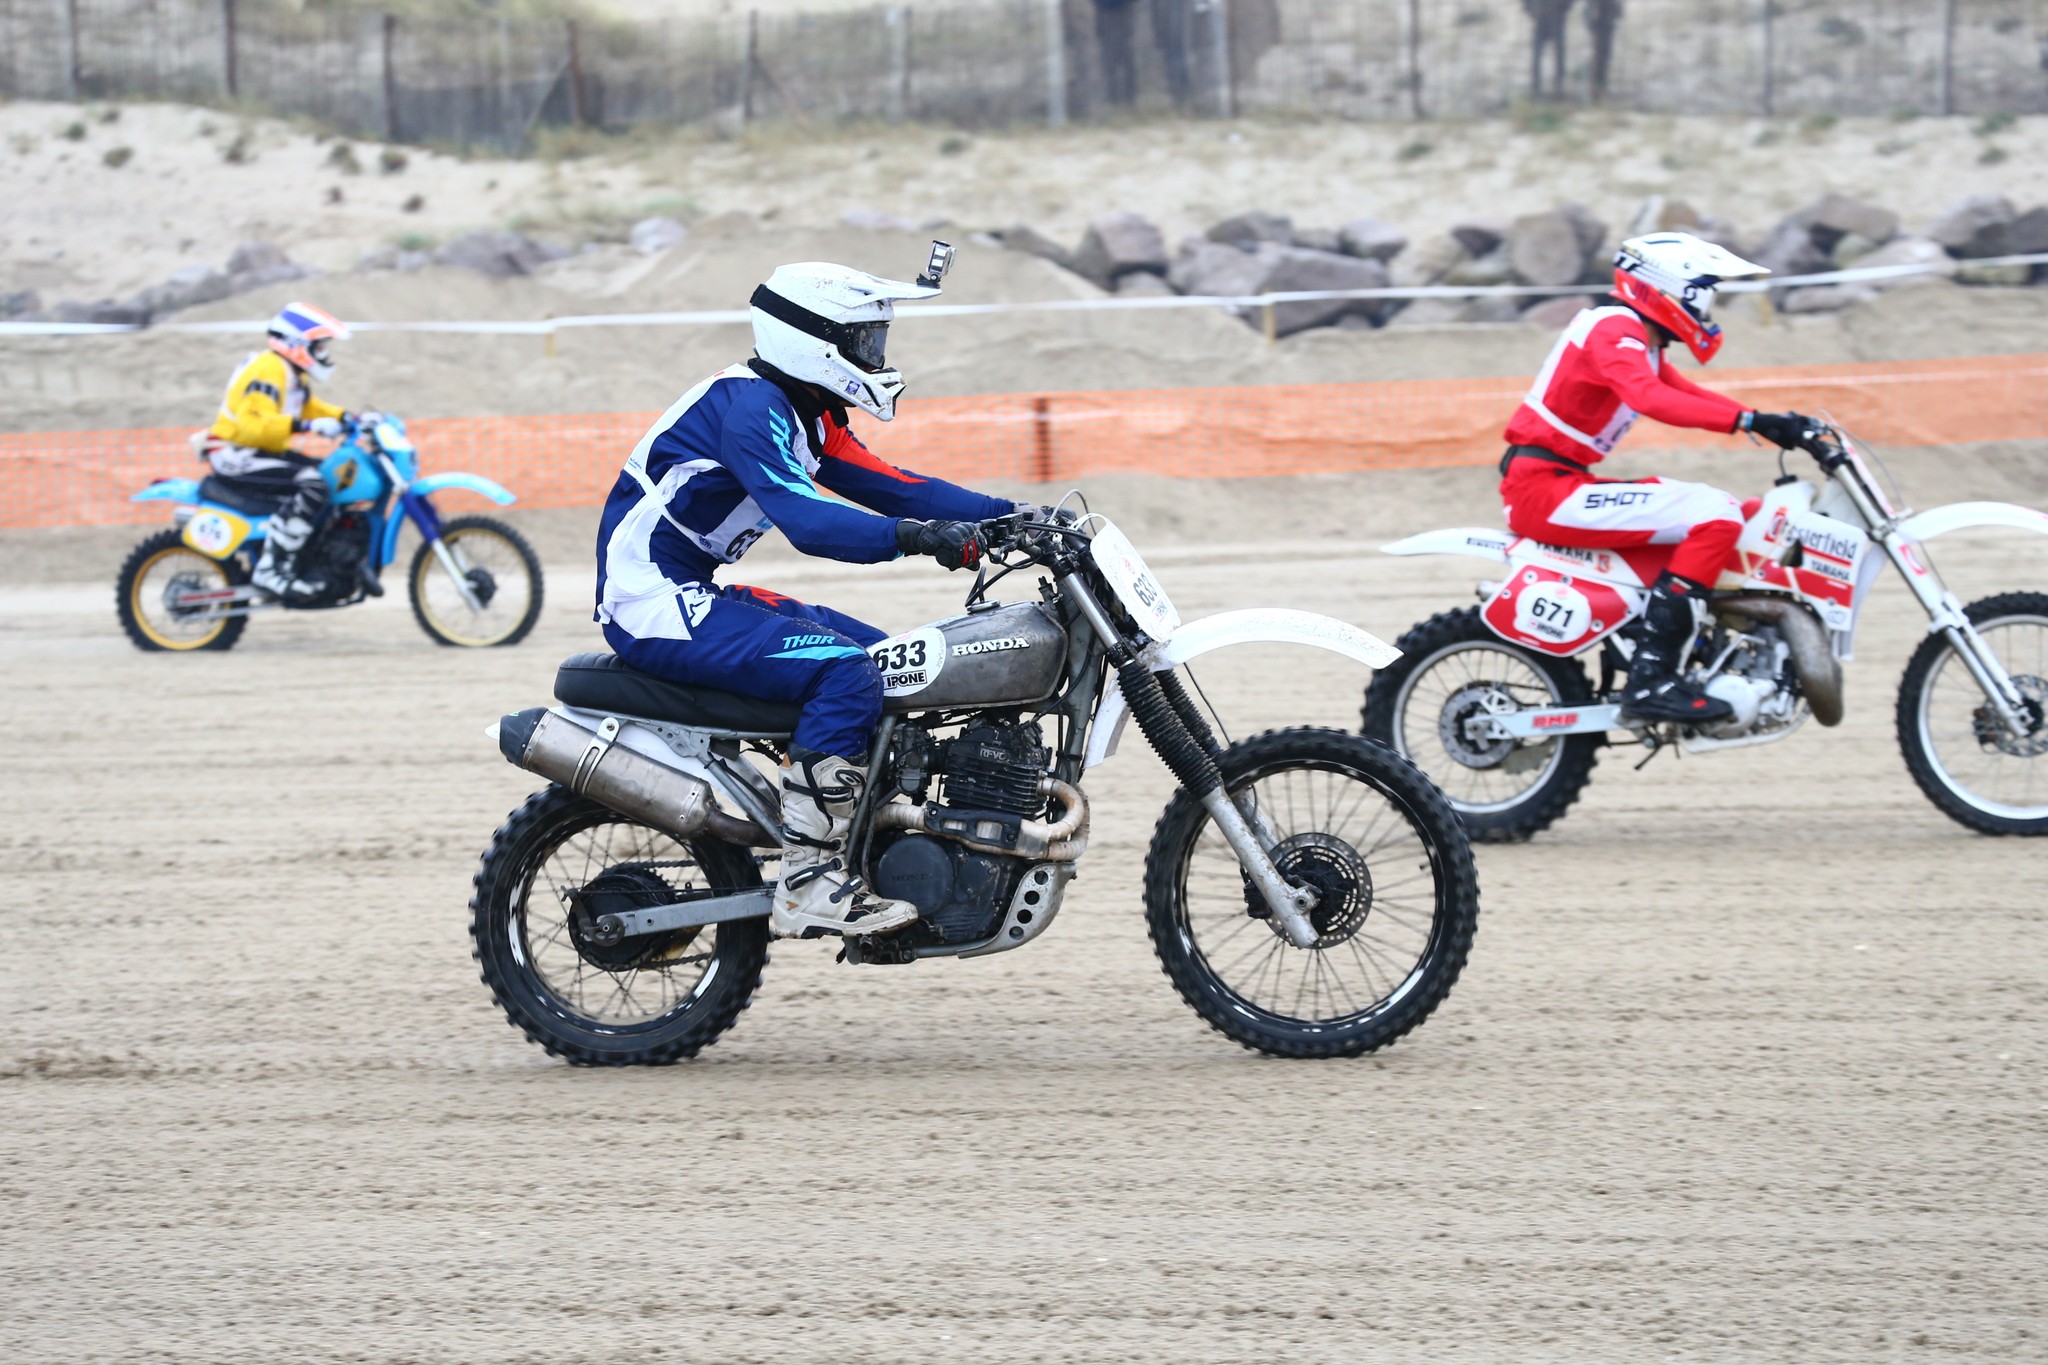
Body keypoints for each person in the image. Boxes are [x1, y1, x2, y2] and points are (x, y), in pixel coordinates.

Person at [595, 262, 1029, 941]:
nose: (875, 357)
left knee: (885, 658)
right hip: (651, 597)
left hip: (690, 588)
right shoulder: (750, 410)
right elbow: (809, 521)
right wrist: (920, 539)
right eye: (865, 341)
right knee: (841, 669)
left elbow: (900, 486)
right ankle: (807, 880)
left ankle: (865, 830)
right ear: (813, 340)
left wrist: (1014, 516)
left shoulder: (806, 412)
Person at [1498, 231, 1824, 724]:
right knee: (1713, 513)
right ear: (1670, 287)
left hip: (1561, 482)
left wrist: (1770, 421)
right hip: (1542, 489)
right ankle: (1652, 678)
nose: (1707, 304)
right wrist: (1749, 422)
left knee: (1729, 515)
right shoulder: (1614, 329)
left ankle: (1679, 655)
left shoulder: (1640, 341)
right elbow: (1650, 398)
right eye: (1703, 290)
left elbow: (1687, 392)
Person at [203, 302, 355, 601]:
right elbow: (253, 426)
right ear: (298, 345)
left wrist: (348, 417)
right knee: (312, 484)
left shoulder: (288, 372)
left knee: (326, 474)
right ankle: (271, 569)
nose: (323, 354)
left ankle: (308, 559)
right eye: (320, 347)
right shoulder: (268, 369)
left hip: (257, 453)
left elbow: (311, 407)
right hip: (235, 454)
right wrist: (308, 427)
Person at [1585, 0, 1623, 101]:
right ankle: (1595, 87)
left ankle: (1601, 85)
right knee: (1598, 56)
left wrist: (1617, 11)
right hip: (1598, 23)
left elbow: (1617, 7)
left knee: (1605, 56)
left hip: (1607, 22)